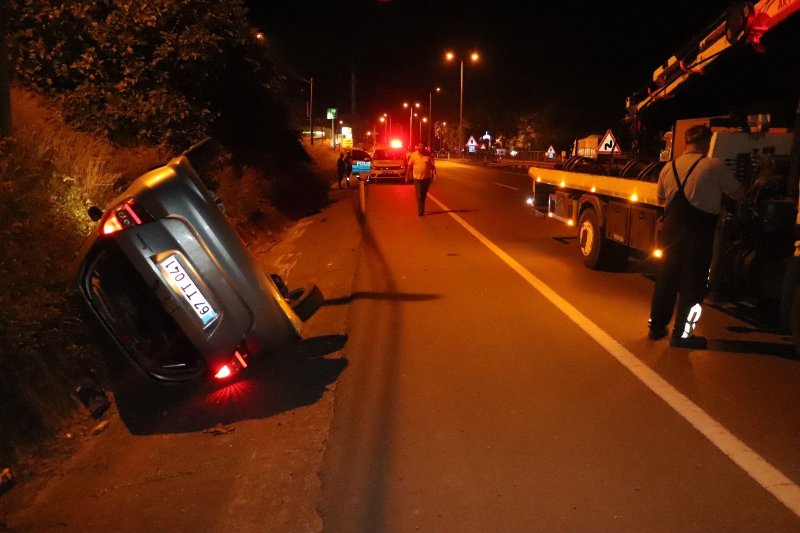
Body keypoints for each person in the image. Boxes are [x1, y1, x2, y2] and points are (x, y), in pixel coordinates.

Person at [648, 124, 746, 349]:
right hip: (699, 233)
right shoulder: (713, 166)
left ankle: (656, 327)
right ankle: (682, 335)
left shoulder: (668, 167)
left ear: (686, 142)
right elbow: (739, 193)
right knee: (693, 283)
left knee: (666, 277)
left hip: (672, 232)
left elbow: (661, 198)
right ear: (706, 142)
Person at [405, 143, 437, 215]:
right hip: (417, 179)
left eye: (422, 146)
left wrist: (435, 175)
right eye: (419, 146)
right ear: (417, 147)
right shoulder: (413, 155)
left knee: (423, 194)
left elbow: (432, 166)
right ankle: (420, 210)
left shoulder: (428, 155)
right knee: (419, 195)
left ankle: (422, 207)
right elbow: (409, 166)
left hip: (426, 179)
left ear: (424, 147)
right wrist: (407, 176)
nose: (421, 147)